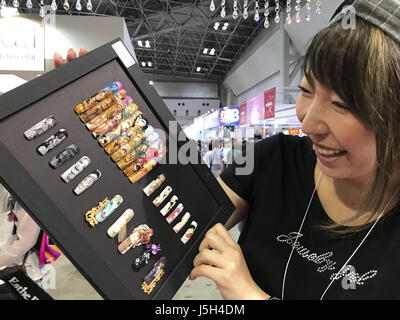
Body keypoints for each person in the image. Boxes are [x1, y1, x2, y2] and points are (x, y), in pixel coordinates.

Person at [189, 0, 400, 300]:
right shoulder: (274, 160)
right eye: (306, 91)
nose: (309, 123)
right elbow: (186, 225)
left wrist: (249, 294)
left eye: (342, 105)